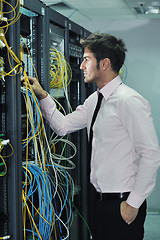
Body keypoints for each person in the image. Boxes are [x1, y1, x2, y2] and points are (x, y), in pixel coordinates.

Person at [21, 33, 160, 240]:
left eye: (86, 59)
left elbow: (151, 155)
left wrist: (133, 204)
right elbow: (63, 126)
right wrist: (42, 95)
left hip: (122, 204)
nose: (81, 66)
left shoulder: (129, 101)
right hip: (98, 202)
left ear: (104, 64)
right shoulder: (95, 100)